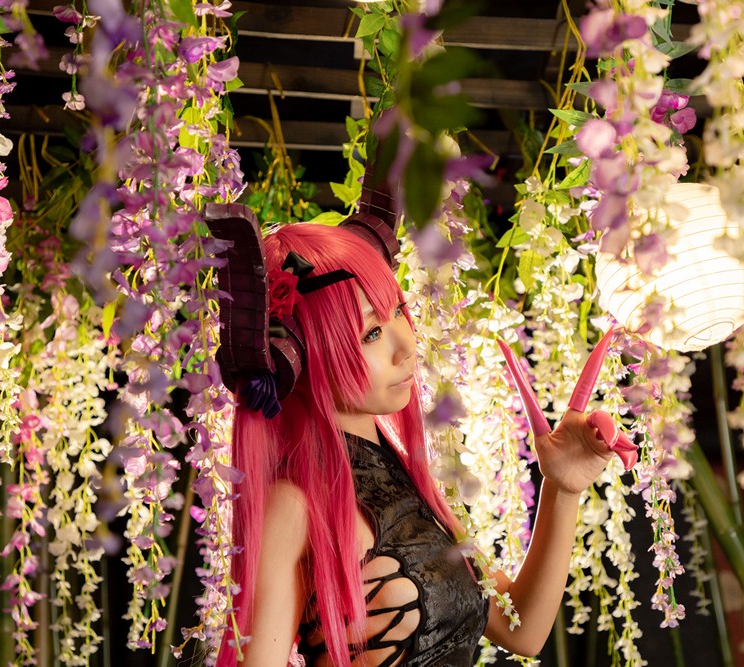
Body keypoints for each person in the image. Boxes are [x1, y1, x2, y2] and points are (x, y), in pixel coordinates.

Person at [207, 176, 633, 667]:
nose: (405, 345)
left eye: (398, 311)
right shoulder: (295, 504)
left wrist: (562, 488)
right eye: (370, 333)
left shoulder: (408, 478)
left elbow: (523, 630)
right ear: (296, 354)